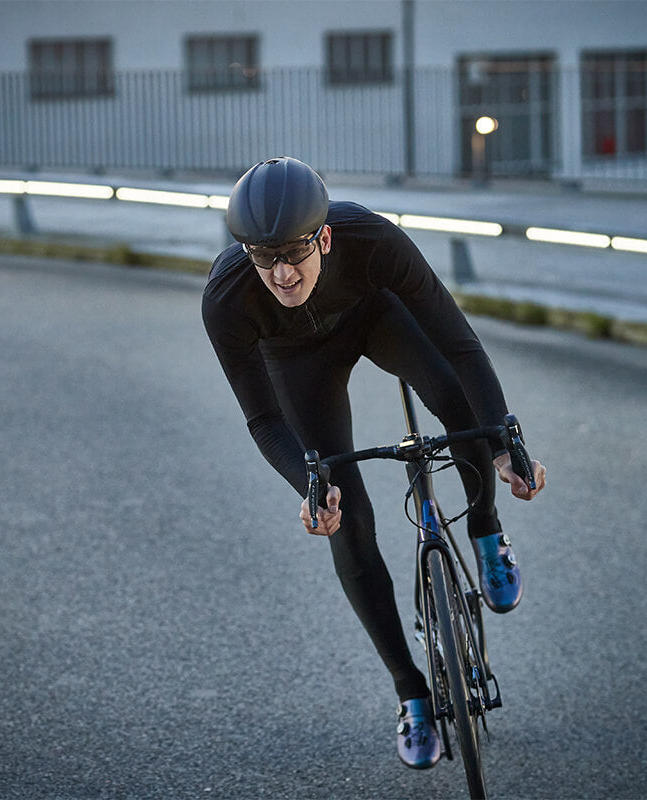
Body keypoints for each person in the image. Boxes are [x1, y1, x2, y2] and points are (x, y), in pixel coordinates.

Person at [201, 157, 546, 770]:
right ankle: (410, 690)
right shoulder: (228, 298)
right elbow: (264, 421)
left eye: (292, 253)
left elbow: (462, 347)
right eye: (262, 256)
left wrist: (503, 443)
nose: (280, 274)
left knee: (460, 409)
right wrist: (309, 487)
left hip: (377, 314)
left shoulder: (373, 239)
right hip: (298, 362)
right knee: (348, 518)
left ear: (324, 237)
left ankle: (486, 527)